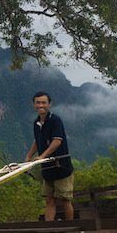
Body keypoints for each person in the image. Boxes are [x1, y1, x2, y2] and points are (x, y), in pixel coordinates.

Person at [25, 91, 74, 220]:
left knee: (65, 199)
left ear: (49, 104)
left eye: (43, 103)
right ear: (34, 104)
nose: (41, 105)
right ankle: (49, 228)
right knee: (49, 200)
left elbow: (57, 141)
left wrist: (42, 156)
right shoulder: (36, 123)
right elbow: (37, 140)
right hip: (47, 168)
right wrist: (28, 157)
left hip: (61, 167)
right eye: (38, 103)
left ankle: (70, 227)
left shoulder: (55, 120)